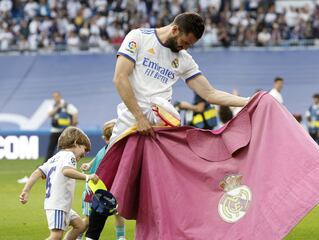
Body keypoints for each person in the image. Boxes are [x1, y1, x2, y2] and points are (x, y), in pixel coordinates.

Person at [86, 12, 248, 240]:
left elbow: (209, 93)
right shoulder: (139, 38)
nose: (184, 48)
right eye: (185, 42)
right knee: (106, 189)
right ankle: (91, 237)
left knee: (163, 191)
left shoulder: (183, 60)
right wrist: (139, 117)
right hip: (129, 127)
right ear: (175, 30)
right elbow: (120, 78)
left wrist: (250, 101)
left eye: (189, 45)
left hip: (159, 135)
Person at [19, 127, 99, 240]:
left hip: (60, 204)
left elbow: (37, 172)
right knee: (56, 235)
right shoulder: (69, 156)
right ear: (77, 143)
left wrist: (26, 190)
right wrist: (87, 177)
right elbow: (66, 171)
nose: (82, 156)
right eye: (83, 151)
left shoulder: (54, 158)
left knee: (80, 226)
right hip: (58, 204)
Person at [78, 120, 126, 240]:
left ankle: (121, 237)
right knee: (90, 219)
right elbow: (98, 157)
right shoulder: (109, 150)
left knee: (118, 212)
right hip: (94, 189)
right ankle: (77, 234)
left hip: (106, 189)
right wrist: (89, 165)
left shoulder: (112, 149)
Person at [45, 91, 78, 162]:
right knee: (51, 149)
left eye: (56, 96)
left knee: (65, 148)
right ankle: (46, 164)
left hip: (64, 130)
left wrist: (73, 125)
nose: (55, 98)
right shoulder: (53, 106)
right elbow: (49, 114)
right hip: (55, 130)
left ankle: (65, 162)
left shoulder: (66, 105)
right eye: (54, 97)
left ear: (60, 96)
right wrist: (57, 108)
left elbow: (75, 112)